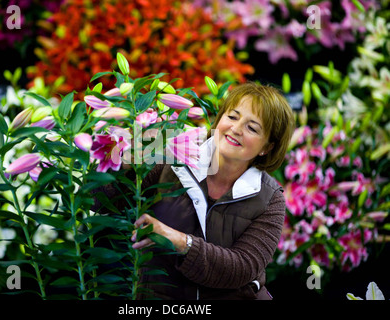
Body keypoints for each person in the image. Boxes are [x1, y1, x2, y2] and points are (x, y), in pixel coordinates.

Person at [100, 81, 295, 299]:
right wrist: (122, 165)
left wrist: (179, 241)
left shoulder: (270, 199)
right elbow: (103, 202)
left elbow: (242, 268)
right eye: (232, 117)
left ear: (267, 148)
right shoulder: (171, 158)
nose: (236, 129)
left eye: (252, 127)